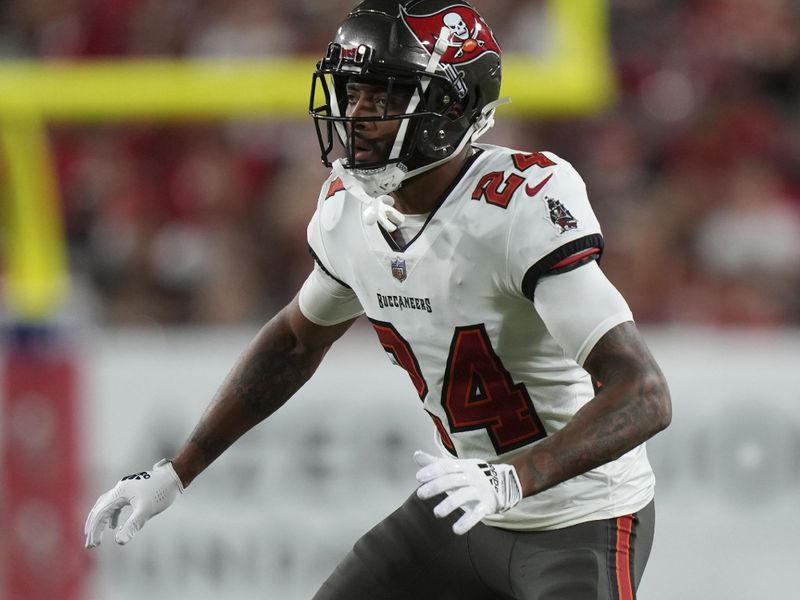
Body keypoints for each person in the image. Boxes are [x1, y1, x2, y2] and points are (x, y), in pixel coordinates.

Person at [85, 1, 672, 598]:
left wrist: (511, 479)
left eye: (384, 97)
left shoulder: (518, 206)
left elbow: (643, 394)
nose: (355, 116)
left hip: (579, 517)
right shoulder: (350, 211)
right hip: (462, 508)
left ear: (451, 106)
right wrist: (176, 473)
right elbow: (292, 342)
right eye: (351, 93)